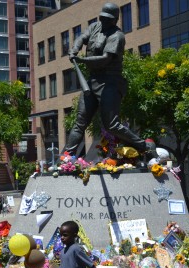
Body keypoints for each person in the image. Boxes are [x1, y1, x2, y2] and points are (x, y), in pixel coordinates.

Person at [65, 2, 158, 161]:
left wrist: (81, 59)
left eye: (108, 19)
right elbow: (81, 37)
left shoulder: (117, 36)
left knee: (111, 125)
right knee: (80, 122)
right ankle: (67, 157)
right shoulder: (95, 27)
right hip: (92, 82)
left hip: (110, 83)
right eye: (102, 18)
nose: (104, 21)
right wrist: (74, 48)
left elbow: (105, 59)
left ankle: (145, 146)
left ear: (115, 19)